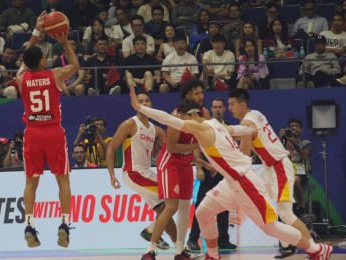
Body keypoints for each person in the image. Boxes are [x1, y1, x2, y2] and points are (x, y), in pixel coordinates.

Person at [129, 88, 333, 260]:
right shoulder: (217, 124)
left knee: (270, 227)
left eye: (183, 118)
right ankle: (213, 254)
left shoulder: (200, 127)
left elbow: (167, 119)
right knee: (203, 212)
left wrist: (140, 108)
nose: (182, 122)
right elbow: (237, 129)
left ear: (192, 115)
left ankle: (317, 249)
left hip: (245, 182)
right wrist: (252, 132)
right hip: (231, 182)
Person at [227, 88, 324, 259]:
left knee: (286, 213)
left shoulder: (246, 124)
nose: (229, 108)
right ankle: (287, 246)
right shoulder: (255, 113)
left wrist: (225, 137)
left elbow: (244, 154)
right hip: (271, 167)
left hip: (278, 166)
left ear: (243, 104)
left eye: (232, 104)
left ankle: (315, 248)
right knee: (277, 210)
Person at [16, 11, 80, 248]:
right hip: (53, 131)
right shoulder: (54, 75)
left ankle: (29, 225)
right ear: (42, 62)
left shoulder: (22, 79)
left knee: (31, 182)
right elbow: (75, 64)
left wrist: (35, 33)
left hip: (32, 133)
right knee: (62, 180)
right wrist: (64, 42)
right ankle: (64, 223)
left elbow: (24, 63)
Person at [141, 80, 207, 260]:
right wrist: (198, 144)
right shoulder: (176, 117)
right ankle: (149, 251)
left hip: (186, 164)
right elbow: (171, 147)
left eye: (202, 93)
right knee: (171, 207)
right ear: (187, 97)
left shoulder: (203, 114)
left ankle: (180, 251)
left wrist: (202, 163)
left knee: (185, 208)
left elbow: (199, 142)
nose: (200, 97)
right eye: (196, 94)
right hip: (169, 164)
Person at [106, 87, 173, 252]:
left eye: (147, 101)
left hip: (146, 173)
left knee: (164, 209)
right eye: (140, 101)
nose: (144, 103)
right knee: (172, 198)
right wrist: (112, 175)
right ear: (135, 104)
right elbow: (111, 148)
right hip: (133, 173)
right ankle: (151, 231)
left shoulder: (155, 130)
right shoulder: (129, 124)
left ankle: (173, 244)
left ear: (151, 104)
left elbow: (169, 146)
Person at [187, 98, 236, 251]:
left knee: (224, 205)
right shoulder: (207, 126)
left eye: (220, 107)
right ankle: (192, 239)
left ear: (224, 109)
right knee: (201, 204)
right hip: (208, 171)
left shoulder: (228, 128)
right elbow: (197, 147)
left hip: (224, 171)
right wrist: (199, 169)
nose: (217, 110)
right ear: (211, 109)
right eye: (214, 107)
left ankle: (223, 240)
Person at [279, 118, 312, 218]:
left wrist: (295, 144)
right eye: (292, 126)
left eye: (297, 126)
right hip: (286, 171)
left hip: (300, 172)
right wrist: (280, 138)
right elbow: (275, 152)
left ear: (301, 130)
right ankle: (283, 209)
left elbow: (304, 156)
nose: (294, 128)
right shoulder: (284, 142)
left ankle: (301, 206)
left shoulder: (305, 142)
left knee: (295, 180)